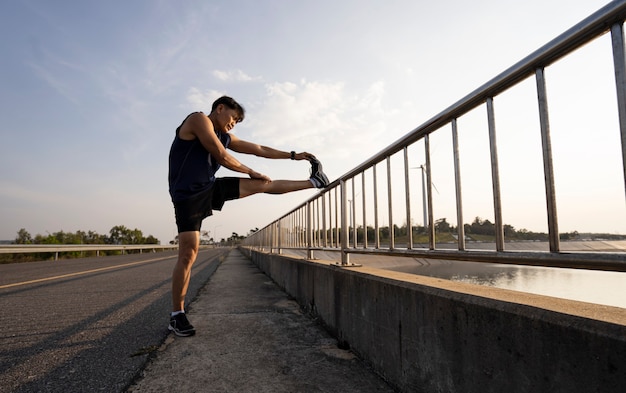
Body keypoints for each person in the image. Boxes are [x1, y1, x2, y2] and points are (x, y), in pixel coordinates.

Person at [167, 95, 329, 336]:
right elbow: (220, 155)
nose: (234, 124)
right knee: (189, 253)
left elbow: (260, 149)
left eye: (237, 122)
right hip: (187, 195)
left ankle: (314, 181)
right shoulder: (198, 119)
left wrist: (294, 155)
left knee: (263, 185)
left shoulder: (226, 135)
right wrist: (252, 172)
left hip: (209, 187)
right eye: (233, 118)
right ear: (219, 108)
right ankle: (177, 315)